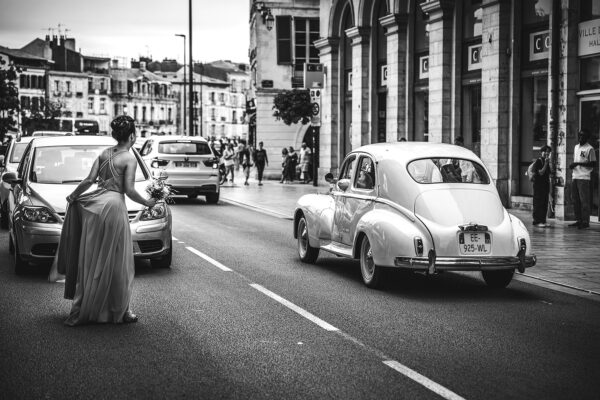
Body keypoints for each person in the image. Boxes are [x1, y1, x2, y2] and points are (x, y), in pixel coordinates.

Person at [56, 115, 156, 326]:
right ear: (131, 135)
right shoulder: (129, 158)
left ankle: (85, 307)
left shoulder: (103, 154)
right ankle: (121, 310)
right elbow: (128, 190)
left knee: (93, 259)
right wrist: (147, 203)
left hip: (95, 207)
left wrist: (74, 195)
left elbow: (89, 180)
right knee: (119, 261)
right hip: (114, 209)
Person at [569, 129, 596, 229]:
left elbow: (593, 163)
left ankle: (585, 221)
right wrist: (573, 165)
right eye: (579, 135)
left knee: (584, 201)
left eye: (583, 136)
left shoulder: (590, 149)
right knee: (575, 200)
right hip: (575, 176)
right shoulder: (576, 147)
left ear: (587, 137)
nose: (580, 137)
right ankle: (578, 220)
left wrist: (577, 164)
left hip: (584, 177)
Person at [531, 145, 552, 227]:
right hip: (538, 186)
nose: (547, 153)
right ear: (541, 152)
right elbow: (540, 173)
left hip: (545, 186)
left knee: (544, 203)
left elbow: (549, 173)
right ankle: (536, 221)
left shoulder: (546, 161)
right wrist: (546, 164)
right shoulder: (538, 161)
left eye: (548, 152)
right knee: (538, 203)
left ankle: (543, 221)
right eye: (545, 151)